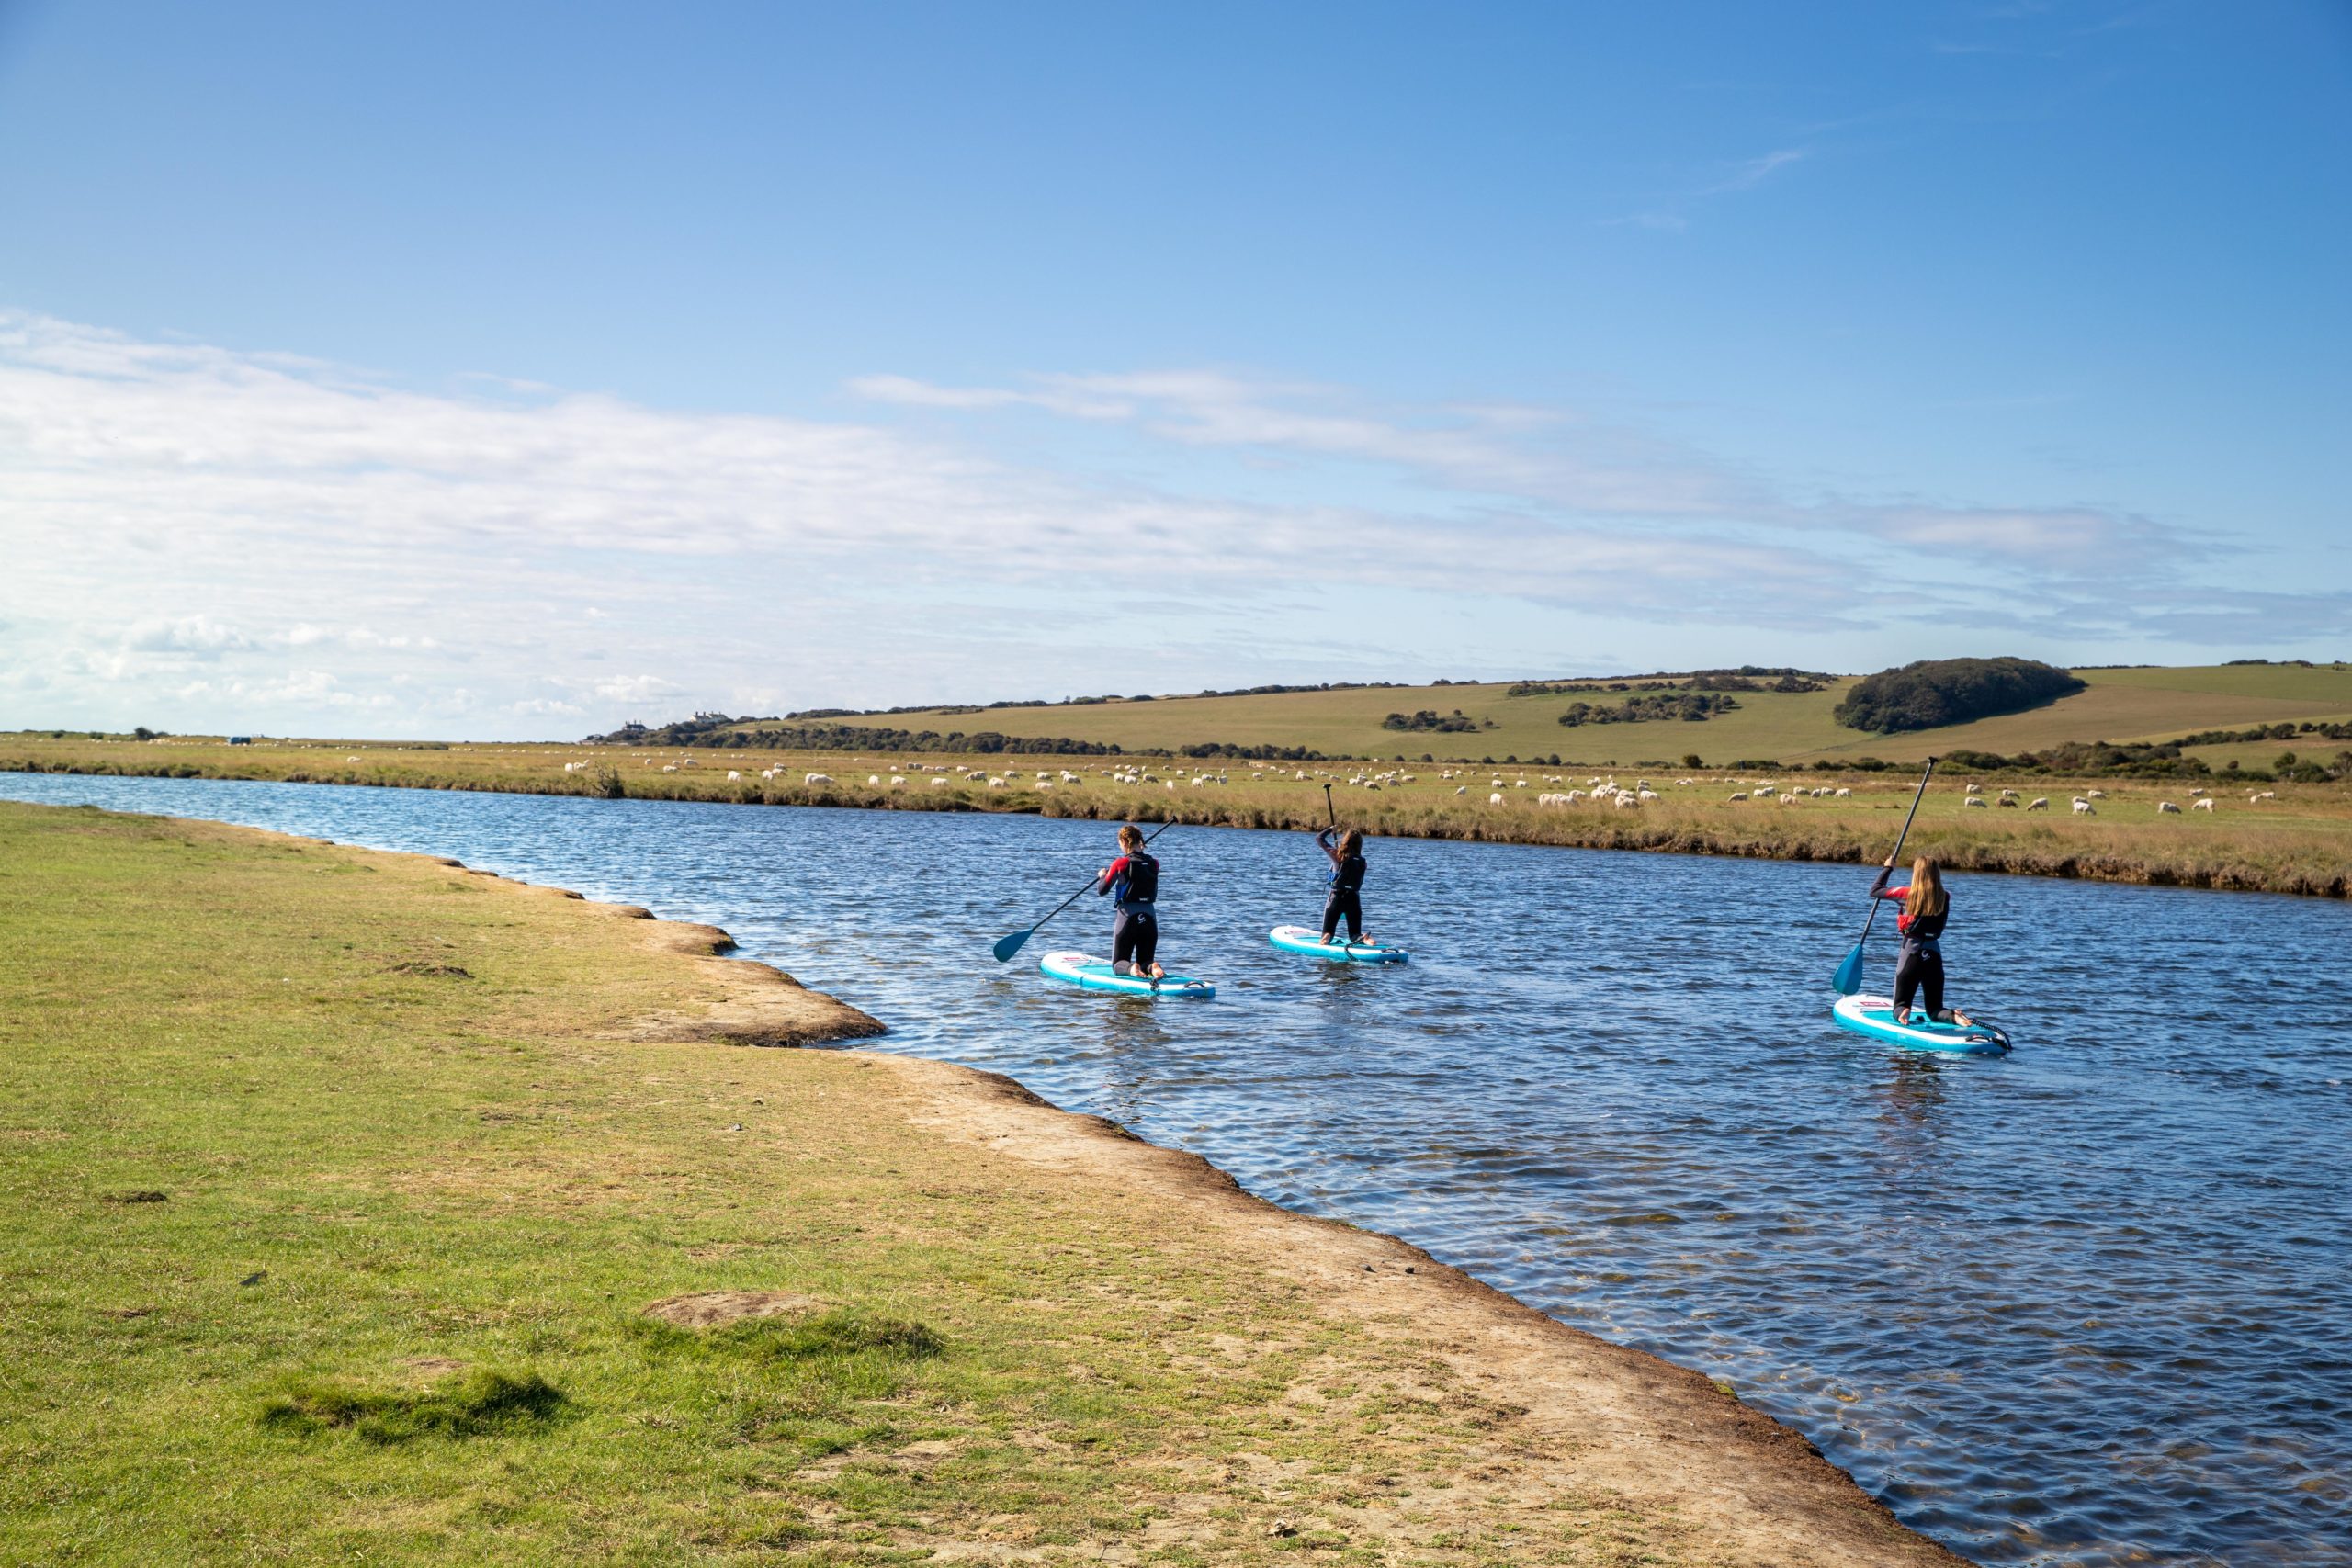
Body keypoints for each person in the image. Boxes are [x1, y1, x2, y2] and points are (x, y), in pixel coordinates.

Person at [1871, 854, 1972, 1026]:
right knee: (1935, 1009)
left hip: (1911, 952)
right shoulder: (1945, 896)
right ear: (1936, 873)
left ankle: (1903, 1012)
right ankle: (1953, 1016)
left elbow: (1875, 890)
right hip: (1934, 953)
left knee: (1900, 1004)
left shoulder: (1907, 894)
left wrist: (1888, 867)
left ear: (1917, 874)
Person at [1095, 824, 1163, 980]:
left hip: (1128, 917)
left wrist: (1102, 876)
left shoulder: (1121, 863)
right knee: (1146, 960)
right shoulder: (1154, 863)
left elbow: (1102, 890)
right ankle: (1152, 967)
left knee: (1118, 964)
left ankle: (1132, 968)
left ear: (1125, 842)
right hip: (1150, 918)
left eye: (1120, 843)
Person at [1317, 825, 1370, 947]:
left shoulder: (1337, 855)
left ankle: (1326, 937)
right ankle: (1365, 939)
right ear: (1360, 845)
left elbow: (1319, 838)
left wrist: (1330, 830)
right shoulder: (1363, 862)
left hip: (1336, 898)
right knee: (1354, 935)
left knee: (1328, 932)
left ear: (1345, 841)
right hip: (1354, 900)